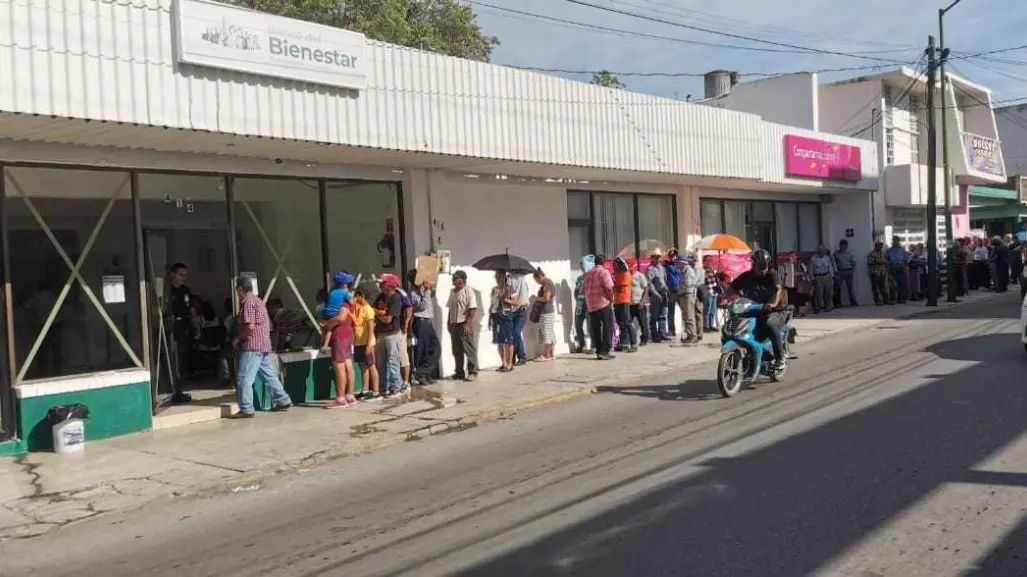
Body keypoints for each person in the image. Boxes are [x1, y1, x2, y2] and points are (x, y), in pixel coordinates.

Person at [229, 275, 292, 418]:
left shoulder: (248, 303)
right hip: (263, 345)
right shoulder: (258, 301)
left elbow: (250, 327)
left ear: (240, 289)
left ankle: (246, 409)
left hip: (252, 346)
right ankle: (283, 399)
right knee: (268, 375)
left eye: (237, 290)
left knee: (244, 378)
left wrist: (237, 339)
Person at [724, 250, 787, 371]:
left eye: (765, 266)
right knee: (732, 326)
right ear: (754, 265)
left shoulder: (773, 275)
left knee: (770, 324)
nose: (763, 269)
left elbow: (778, 290)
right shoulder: (746, 276)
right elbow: (732, 288)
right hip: (752, 311)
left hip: (773, 312)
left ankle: (780, 358)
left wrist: (773, 303)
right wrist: (726, 299)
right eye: (760, 266)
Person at [374, 274, 406, 396]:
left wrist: (379, 314)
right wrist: (380, 313)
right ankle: (383, 387)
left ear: (390, 285)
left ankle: (396, 386)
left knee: (393, 360)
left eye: (383, 283)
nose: (380, 285)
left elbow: (388, 319)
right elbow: (372, 310)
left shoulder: (396, 298)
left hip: (392, 333)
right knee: (381, 362)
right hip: (381, 333)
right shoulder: (380, 297)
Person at [407, 270, 440, 386]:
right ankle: (420, 375)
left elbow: (433, 295)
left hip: (428, 321)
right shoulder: (412, 293)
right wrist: (426, 291)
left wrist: (432, 282)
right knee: (424, 349)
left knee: (434, 348)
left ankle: (425, 373)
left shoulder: (424, 289)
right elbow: (421, 306)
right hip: (420, 321)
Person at [167, 262, 194, 403]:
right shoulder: (168, 291)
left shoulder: (185, 290)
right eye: (180, 274)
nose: (183, 278)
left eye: (185, 275)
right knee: (174, 359)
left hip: (185, 327)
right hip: (172, 328)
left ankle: (180, 389)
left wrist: (196, 327)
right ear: (173, 274)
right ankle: (173, 391)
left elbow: (191, 309)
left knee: (182, 359)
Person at [446, 270, 478, 380]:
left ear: (463, 280)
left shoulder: (469, 291)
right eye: (453, 279)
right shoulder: (452, 292)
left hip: (464, 324)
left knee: (469, 349)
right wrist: (449, 322)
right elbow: (450, 308)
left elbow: (472, 308)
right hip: (454, 324)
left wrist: (468, 323)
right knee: (457, 350)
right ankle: (459, 372)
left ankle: (472, 372)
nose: (454, 280)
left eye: (456, 278)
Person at [584, 253, 616, 360]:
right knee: (608, 327)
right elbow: (608, 288)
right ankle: (605, 351)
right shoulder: (604, 272)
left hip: (591, 305)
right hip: (603, 304)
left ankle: (598, 351)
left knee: (596, 329)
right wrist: (611, 299)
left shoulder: (588, 274)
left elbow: (584, 290)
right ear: (604, 262)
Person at [352, 290, 379, 401]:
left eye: (356, 296)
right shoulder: (359, 309)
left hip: (367, 343)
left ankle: (376, 391)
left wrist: (369, 344)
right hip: (358, 343)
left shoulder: (368, 309)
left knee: (371, 366)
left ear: (361, 296)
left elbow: (371, 328)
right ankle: (365, 389)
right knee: (363, 367)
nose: (354, 298)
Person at [492, 270, 518, 372]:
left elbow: (516, 302)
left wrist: (505, 300)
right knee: (500, 341)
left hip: (507, 315)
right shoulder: (495, 289)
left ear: (504, 278)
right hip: (497, 316)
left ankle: (510, 363)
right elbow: (493, 303)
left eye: (499, 277)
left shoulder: (510, 289)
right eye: (496, 277)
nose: (497, 279)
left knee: (508, 341)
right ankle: (503, 363)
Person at [532, 268, 558, 360]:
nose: (537, 282)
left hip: (546, 311)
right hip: (547, 311)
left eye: (537, 280)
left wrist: (536, 298)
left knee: (547, 333)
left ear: (540, 277)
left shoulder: (547, 284)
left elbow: (546, 298)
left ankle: (546, 355)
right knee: (550, 333)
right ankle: (551, 354)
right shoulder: (546, 284)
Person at [611, 258, 636, 353]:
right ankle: (623, 344)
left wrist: (613, 283)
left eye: (615, 265)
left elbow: (618, 285)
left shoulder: (626, 274)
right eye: (613, 265)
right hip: (617, 301)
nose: (614, 267)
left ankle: (633, 343)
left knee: (627, 322)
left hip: (624, 301)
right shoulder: (615, 274)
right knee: (621, 324)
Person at [507, 272, 531, 365]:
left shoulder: (522, 278)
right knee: (512, 334)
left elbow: (524, 292)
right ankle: (512, 358)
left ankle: (522, 357)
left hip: (521, 309)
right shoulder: (507, 278)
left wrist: (523, 303)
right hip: (511, 310)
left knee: (516, 332)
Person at [572, 255, 595, 353]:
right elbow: (576, 290)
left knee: (591, 326)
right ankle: (581, 344)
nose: (581, 267)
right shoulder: (579, 278)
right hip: (580, 304)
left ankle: (594, 345)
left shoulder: (593, 277)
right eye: (580, 265)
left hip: (589, 304)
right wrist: (577, 300)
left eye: (583, 264)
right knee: (578, 324)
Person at [646, 249, 669, 343]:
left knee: (663, 314)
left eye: (658, 257)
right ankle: (655, 335)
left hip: (664, 293)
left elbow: (664, 280)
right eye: (655, 257)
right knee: (654, 316)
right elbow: (649, 283)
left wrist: (667, 292)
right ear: (652, 258)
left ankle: (662, 333)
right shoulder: (650, 269)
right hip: (655, 294)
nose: (657, 259)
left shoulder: (662, 268)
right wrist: (656, 293)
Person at [809, 245, 836, 313]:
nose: (822, 252)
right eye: (821, 250)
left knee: (828, 292)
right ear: (818, 251)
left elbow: (830, 267)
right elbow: (811, 269)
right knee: (819, 293)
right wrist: (812, 278)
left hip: (827, 275)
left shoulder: (827, 258)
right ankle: (818, 307)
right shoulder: (813, 258)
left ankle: (828, 307)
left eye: (824, 250)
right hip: (818, 277)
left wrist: (832, 276)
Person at [885, 236, 911, 304]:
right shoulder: (889, 250)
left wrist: (904, 266)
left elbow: (907, 260)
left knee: (902, 284)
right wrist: (889, 266)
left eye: (897, 240)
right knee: (892, 285)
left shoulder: (903, 250)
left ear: (899, 241)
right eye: (894, 240)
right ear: (893, 241)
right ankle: (892, 299)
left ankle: (901, 299)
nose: (895, 242)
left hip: (901, 268)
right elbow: (886, 260)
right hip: (892, 269)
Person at [833, 239, 858, 307]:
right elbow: (833, 263)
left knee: (850, 288)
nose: (843, 247)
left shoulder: (849, 254)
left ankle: (853, 302)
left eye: (844, 246)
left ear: (847, 246)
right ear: (839, 246)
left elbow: (854, 263)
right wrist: (835, 273)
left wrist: (852, 271)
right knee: (837, 288)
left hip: (848, 271)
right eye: (841, 245)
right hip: (840, 272)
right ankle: (838, 303)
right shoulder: (836, 254)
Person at [629, 264, 650, 345]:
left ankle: (644, 339)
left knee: (643, 322)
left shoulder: (640, 275)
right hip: (629, 304)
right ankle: (631, 339)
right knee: (628, 323)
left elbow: (645, 289)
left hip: (639, 303)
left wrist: (642, 301)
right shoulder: (626, 276)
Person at [867, 240, 889, 305]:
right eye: (880, 245)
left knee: (883, 287)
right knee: (875, 288)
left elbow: (885, 262)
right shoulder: (872, 253)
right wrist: (878, 262)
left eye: (881, 245)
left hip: (882, 272)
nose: (881, 247)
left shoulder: (882, 253)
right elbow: (869, 263)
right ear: (876, 245)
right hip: (875, 272)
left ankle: (885, 301)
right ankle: (877, 301)